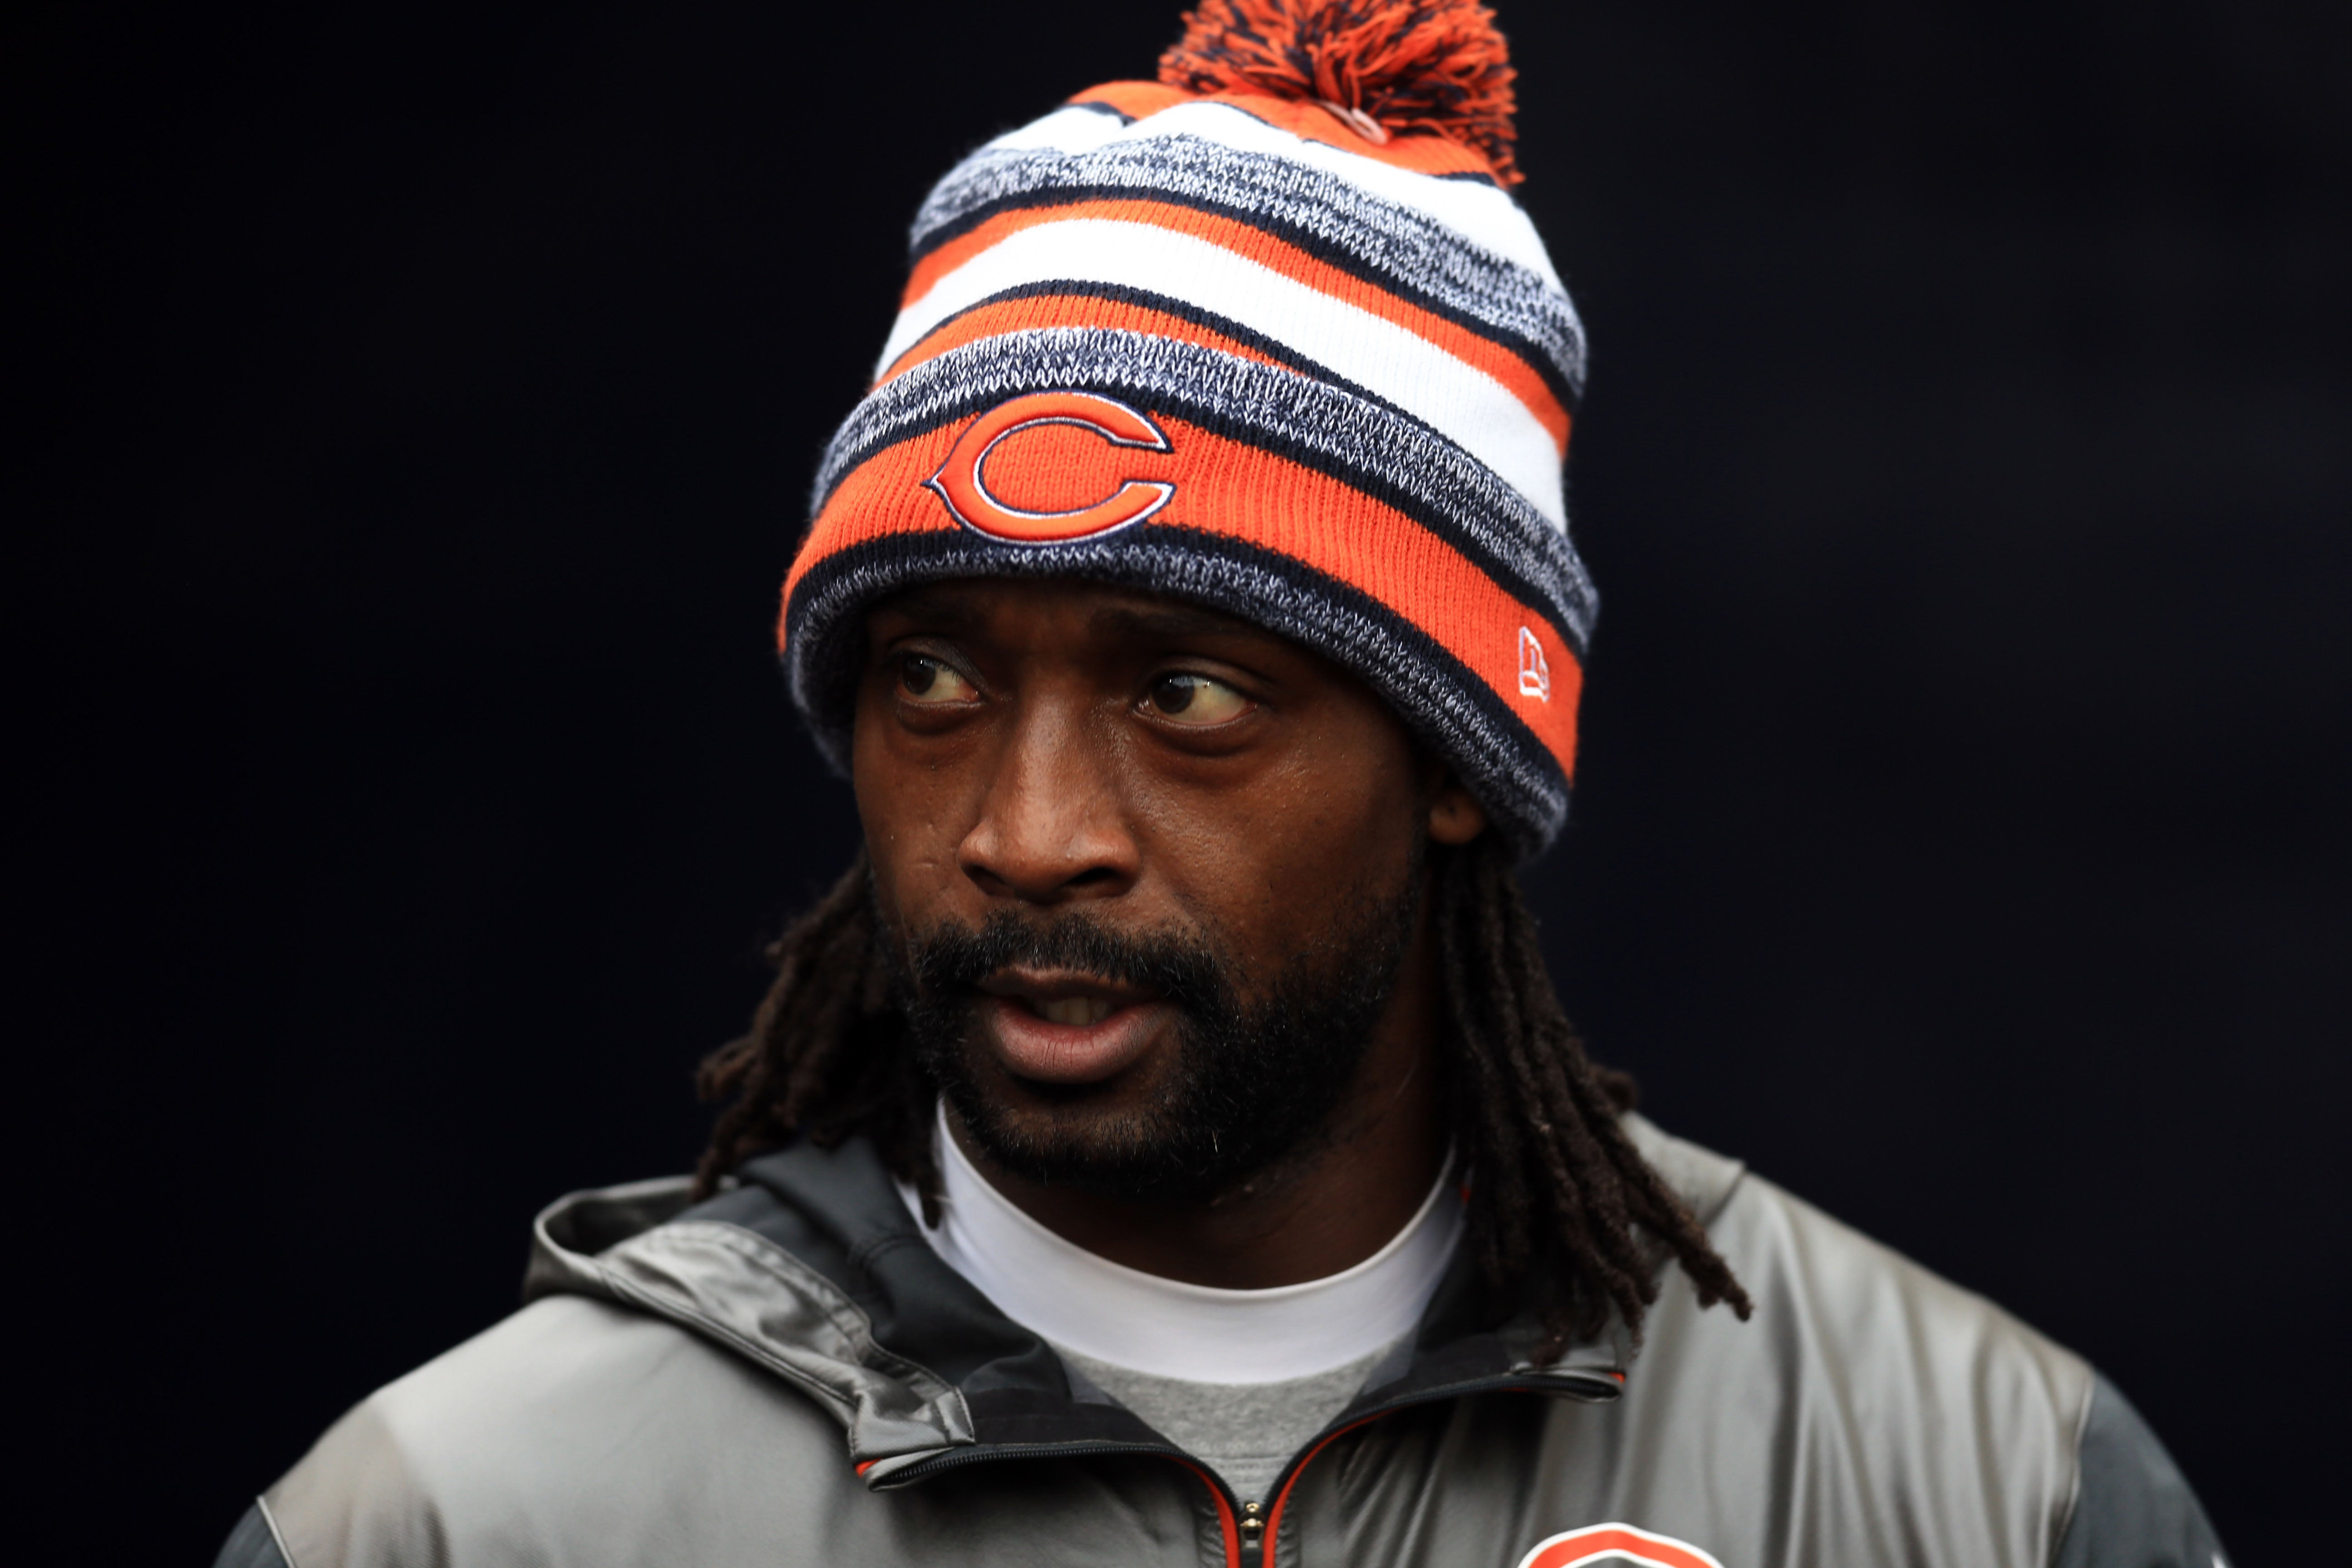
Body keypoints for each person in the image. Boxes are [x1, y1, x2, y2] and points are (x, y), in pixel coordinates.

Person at [214, 3, 2227, 1564]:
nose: (1028, 833)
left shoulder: (1974, 1488)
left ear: (1452, 751)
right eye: (929, 678)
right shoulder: (466, 1518)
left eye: (1187, 693)